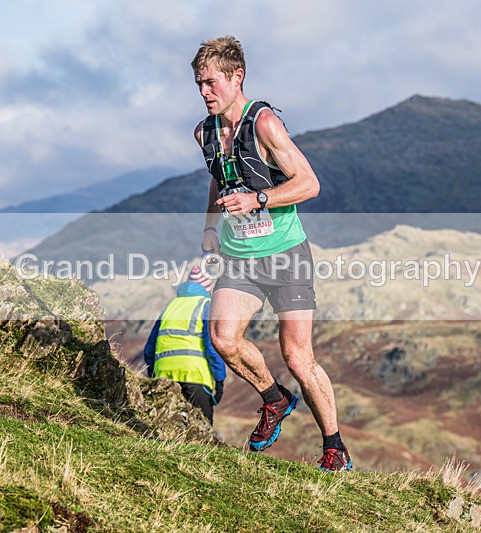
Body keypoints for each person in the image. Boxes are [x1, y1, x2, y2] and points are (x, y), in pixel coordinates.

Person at [191, 35, 351, 471]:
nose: (204, 92)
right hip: (239, 256)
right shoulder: (204, 132)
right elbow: (219, 177)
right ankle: (274, 399)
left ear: (236, 77)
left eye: (210, 82)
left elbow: (309, 184)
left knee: (298, 357)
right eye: (199, 83)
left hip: (285, 254)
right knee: (223, 338)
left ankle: (334, 447)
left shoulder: (263, 123)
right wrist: (209, 227)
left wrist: (259, 199)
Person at [143, 266, 226, 425]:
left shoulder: (169, 307)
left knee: (164, 425)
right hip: (194, 374)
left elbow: (149, 349)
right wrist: (220, 379)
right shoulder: (206, 305)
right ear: (208, 289)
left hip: (163, 373)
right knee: (203, 424)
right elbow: (212, 346)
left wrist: (153, 374)